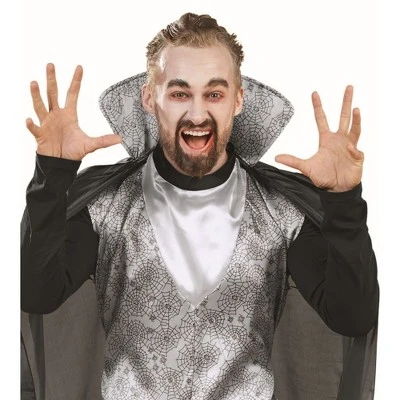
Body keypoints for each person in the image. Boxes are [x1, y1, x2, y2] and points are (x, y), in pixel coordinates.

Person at [21, 12, 379, 400]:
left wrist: (343, 203)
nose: (196, 113)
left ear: (238, 100)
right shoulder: (104, 207)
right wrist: (52, 176)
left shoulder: (282, 213)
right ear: (149, 98)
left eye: (214, 94)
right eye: (179, 93)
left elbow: (351, 317)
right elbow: (37, 294)